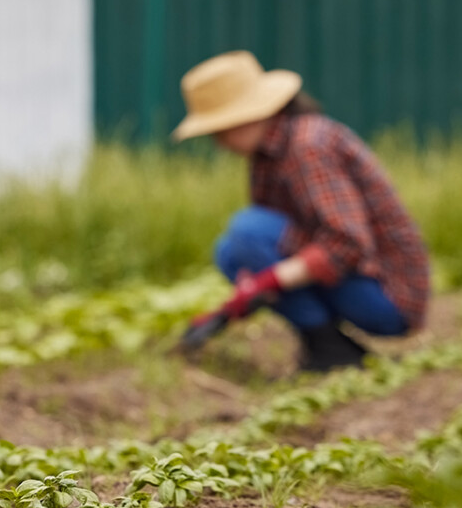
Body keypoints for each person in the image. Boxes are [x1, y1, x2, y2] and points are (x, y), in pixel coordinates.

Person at [171, 51, 430, 372]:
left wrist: (267, 282)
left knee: (247, 232)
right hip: (355, 283)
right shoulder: (269, 155)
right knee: (231, 253)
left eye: (219, 131)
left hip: (390, 299)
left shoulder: (308, 146)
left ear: (248, 116)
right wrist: (244, 295)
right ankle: (329, 346)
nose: (218, 143)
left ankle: (328, 349)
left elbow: (349, 243)